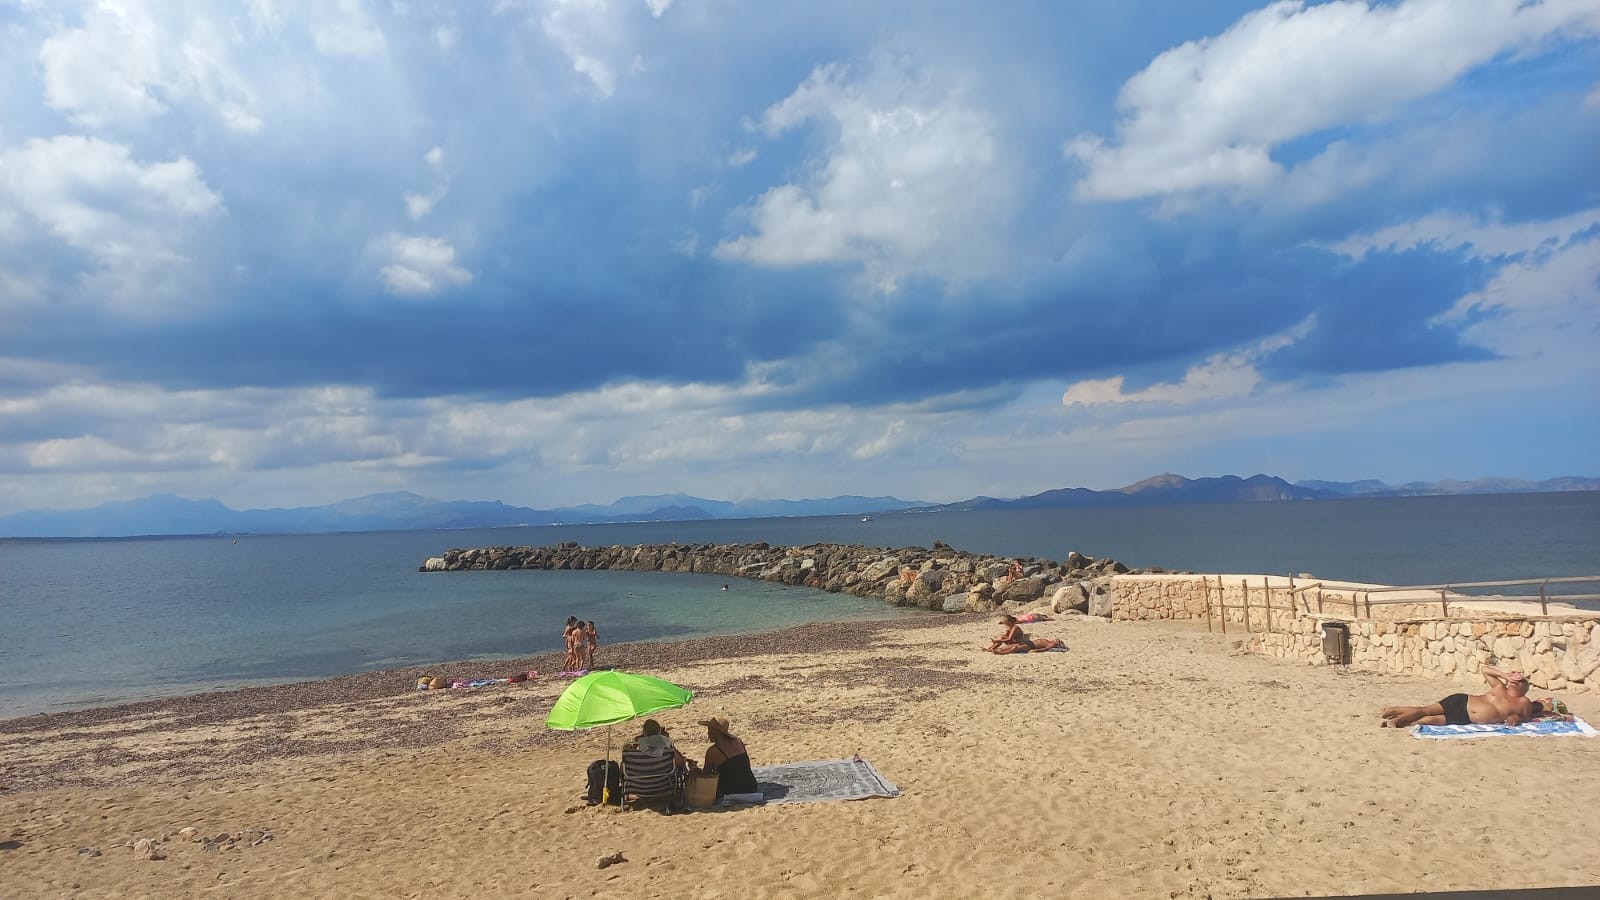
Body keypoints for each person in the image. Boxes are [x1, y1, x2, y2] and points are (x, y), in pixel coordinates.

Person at [1381, 665, 1537, 727]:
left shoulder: (1524, 701)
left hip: (1467, 718)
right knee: (1426, 710)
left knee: (1427, 720)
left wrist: (1516, 719)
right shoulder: (1499, 686)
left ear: (1525, 687)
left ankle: (1395, 712)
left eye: (1519, 680)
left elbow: (1525, 717)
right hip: (1462, 701)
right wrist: (1505, 675)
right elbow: (1484, 669)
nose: (1515, 681)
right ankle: (1396, 720)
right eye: (1514, 679)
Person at [690, 716, 758, 800]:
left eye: (710, 731)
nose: (708, 734)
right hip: (751, 787)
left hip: (732, 791)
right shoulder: (738, 741)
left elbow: (706, 776)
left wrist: (694, 768)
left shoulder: (713, 751)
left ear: (717, 732)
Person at [982, 615, 1066, 654]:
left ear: (1058, 644)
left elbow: (1045, 649)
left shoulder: (1051, 644)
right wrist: (998, 640)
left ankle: (1001, 652)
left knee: (1015, 647)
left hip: (1028, 645)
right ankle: (990, 649)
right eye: (1058, 640)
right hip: (1029, 643)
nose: (1058, 640)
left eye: (1059, 641)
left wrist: (1034, 651)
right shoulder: (1049, 641)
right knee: (1001, 637)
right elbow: (1006, 637)